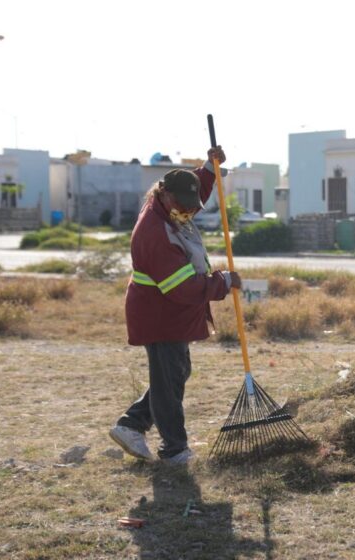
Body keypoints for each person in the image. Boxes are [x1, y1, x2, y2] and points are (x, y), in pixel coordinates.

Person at [108, 146, 241, 465]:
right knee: (169, 380)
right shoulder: (155, 233)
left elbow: (193, 184)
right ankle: (174, 450)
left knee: (176, 373)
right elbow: (182, 288)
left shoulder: (170, 206)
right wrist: (222, 283)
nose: (189, 211)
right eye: (183, 205)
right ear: (164, 195)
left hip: (169, 313)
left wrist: (210, 168)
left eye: (190, 205)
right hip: (159, 315)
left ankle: (131, 425)